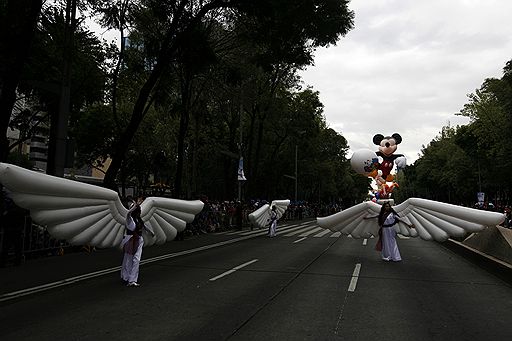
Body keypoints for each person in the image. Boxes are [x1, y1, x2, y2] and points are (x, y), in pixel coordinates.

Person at [121, 197, 154, 287]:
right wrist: (136, 205)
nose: (139, 211)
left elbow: (144, 226)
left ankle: (132, 280)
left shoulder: (139, 219)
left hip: (138, 240)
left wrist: (151, 232)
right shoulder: (129, 219)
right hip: (130, 240)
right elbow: (128, 213)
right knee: (128, 260)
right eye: (138, 210)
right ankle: (126, 277)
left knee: (136, 260)